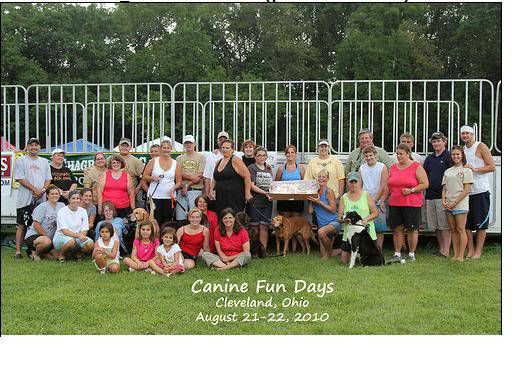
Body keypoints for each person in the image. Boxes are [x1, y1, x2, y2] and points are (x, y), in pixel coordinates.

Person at [387, 144, 429, 262]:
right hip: (395, 202)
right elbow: (388, 183)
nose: (398, 156)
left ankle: (411, 253)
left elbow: (425, 184)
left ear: (408, 153)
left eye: (401, 154)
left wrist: (411, 190)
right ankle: (397, 253)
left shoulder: (416, 166)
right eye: (397, 154)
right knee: (397, 229)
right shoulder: (393, 167)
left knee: (412, 229)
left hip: (411, 203)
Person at [461, 125, 496, 259]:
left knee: (481, 223)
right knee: (467, 224)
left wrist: (474, 169)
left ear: (472, 134)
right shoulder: (463, 149)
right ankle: (470, 250)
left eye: (467, 133)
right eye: (463, 133)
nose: (465, 136)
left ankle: (478, 252)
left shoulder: (481, 146)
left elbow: (492, 167)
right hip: (467, 191)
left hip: (480, 190)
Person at [13, 137, 52, 259]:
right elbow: (20, 178)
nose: (34, 147)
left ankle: (33, 250)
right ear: (27, 147)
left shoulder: (45, 162)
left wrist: (43, 190)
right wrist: (35, 189)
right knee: (21, 225)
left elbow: (48, 179)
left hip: (41, 199)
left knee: (37, 224)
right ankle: (18, 251)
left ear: (39, 147)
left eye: (36, 145)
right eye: (31, 145)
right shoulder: (21, 160)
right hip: (25, 199)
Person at [337, 172, 379, 263]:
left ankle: (360, 256)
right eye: (351, 182)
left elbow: (375, 212)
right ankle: (355, 256)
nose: (353, 184)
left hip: (366, 233)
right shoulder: (343, 197)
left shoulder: (366, 195)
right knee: (344, 261)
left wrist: (366, 219)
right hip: (350, 233)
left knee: (373, 260)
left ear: (360, 182)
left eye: (355, 181)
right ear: (347, 183)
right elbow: (339, 217)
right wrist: (344, 220)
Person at [442, 146, 474, 262]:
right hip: (448, 204)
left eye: (457, 154)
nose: (455, 156)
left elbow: (467, 189)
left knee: (461, 229)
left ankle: (461, 255)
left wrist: (455, 202)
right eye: (453, 154)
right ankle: (455, 254)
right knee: (453, 230)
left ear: (462, 156)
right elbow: (444, 188)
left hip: (460, 204)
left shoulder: (466, 170)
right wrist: (444, 201)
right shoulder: (448, 171)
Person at [423, 132, 451, 257]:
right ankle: (441, 249)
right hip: (430, 196)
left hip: (443, 196)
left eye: (439, 141)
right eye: (434, 142)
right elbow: (424, 176)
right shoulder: (429, 159)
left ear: (444, 141)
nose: (436, 144)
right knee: (436, 226)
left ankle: (446, 250)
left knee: (444, 225)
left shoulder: (449, 156)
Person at [142, 139, 182, 226]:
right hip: (154, 196)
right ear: (160, 148)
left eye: (168, 148)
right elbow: (144, 177)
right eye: (164, 148)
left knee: (168, 222)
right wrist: (153, 178)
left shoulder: (176, 164)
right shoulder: (153, 161)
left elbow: (179, 182)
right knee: (154, 222)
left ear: (171, 149)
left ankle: (166, 239)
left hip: (169, 197)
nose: (166, 150)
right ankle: (155, 239)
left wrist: (174, 188)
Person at [211, 138, 252, 220]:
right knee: (222, 218)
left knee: (234, 219)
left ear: (232, 149)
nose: (224, 150)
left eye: (227, 148)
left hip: (235, 197)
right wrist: (211, 189)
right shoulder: (218, 161)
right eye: (223, 147)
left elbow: (247, 175)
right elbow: (215, 177)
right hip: (221, 197)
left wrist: (247, 193)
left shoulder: (235, 159)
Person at [24, 185, 65, 261]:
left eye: (56, 193)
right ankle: (35, 252)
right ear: (47, 196)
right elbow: (36, 224)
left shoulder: (62, 206)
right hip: (35, 235)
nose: (55, 195)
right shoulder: (42, 207)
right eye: (52, 194)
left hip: (50, 238)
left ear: (59, 195)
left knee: (56, 257)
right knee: (46, 242)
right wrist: (46, 236)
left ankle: (37, 252)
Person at [359, 146, 389, 249]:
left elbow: (384, 186)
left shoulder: (382, 167)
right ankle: (368, 247)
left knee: (379, 227)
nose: (368, 157)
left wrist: (377, 200)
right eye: (366, 156)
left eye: (371, 155)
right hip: (364, 201)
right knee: (366, 225)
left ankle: (378, 248)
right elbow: (360, 185)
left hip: (378, 200)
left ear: (375, 155)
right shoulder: (362, 168)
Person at [53, 190, 95, 262]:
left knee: (90, 244)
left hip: (78, 236)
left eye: (77, 198)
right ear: (69, 200)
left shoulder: (83, 211)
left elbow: (84, 229)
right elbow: (65, 231)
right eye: (73, 198)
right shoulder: (62, 211)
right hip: (62, 236)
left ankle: (77, 253)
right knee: (71, 241)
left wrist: (82, 236)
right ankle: (61, 255)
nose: (76, 200)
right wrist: (79, 236)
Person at [308, 169, 340, 260]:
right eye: (319, 176)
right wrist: (311, 200)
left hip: (334, 222)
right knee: (323, 255)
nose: (321, 178)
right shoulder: (315, 192)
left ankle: (329, 252)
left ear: (327, 179)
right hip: (322, 225)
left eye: (323, 177)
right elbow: (310, 211)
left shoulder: (329, 191)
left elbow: (333, 210)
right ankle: (343, 250)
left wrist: (319, 202)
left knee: (321, 232)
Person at [248, 146, 273, 252]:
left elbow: (272, 184)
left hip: (267, 202)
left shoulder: (268, 168)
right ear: (255, 157)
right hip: (255, 201)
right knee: (254, 227)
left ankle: (263, 251)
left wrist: (272, 193)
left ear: (266, 157)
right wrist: (265, 193)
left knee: (264, 226)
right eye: (259, 155)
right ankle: (254, 250)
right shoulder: (251, 168)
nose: (261, 157)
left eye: (263, 155)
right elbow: (251, 185)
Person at [176, 135, 206, 220]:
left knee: (195, 217)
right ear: (184, 145)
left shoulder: (201, 157)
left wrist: (187, 185)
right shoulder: (179, 158)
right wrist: (190, 177)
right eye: (186, 143)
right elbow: (177, 174)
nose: (188, 145)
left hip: (195, 190)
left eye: (190, 143)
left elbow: (199, 176)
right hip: (181, 191)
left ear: (194, 144)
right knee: (180, 218)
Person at [97, 154, 135, 219]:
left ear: (121, 164)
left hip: (124, 208)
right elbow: (99, 191)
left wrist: (133, 208)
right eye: (113, 162)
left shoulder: (127, 175)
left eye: (118, 162)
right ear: (110, 164)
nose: (116, 164)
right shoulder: (104, 175)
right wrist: (100, 206)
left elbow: (131, 193)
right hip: (108, 208)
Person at [116, 138, 145, 208]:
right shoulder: (111, 159)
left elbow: (144, 177)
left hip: (131, 194)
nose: (124, 148)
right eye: (122, 146)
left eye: (127, 146)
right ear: (118, 146)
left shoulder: (136, 161)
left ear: (130, 147)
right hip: (115, 193)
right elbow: (103, 171)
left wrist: (137, 190)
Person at [204, 131, 230, 202]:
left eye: (225, 139)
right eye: (220, 139)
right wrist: (207, 193)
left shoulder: (236, 156)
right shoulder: (211, 156)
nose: (223, 141)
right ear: (217, 141)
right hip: (215, 191)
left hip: (230, 191)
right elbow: (207, 177)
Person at [138, 144, 160, 209]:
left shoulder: (166, 163)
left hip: (164, 195)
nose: (153, 153)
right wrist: (150, 193)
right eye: (152, 151)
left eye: (156, 151)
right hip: (151, 195)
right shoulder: (148, 164)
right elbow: (143, 181)